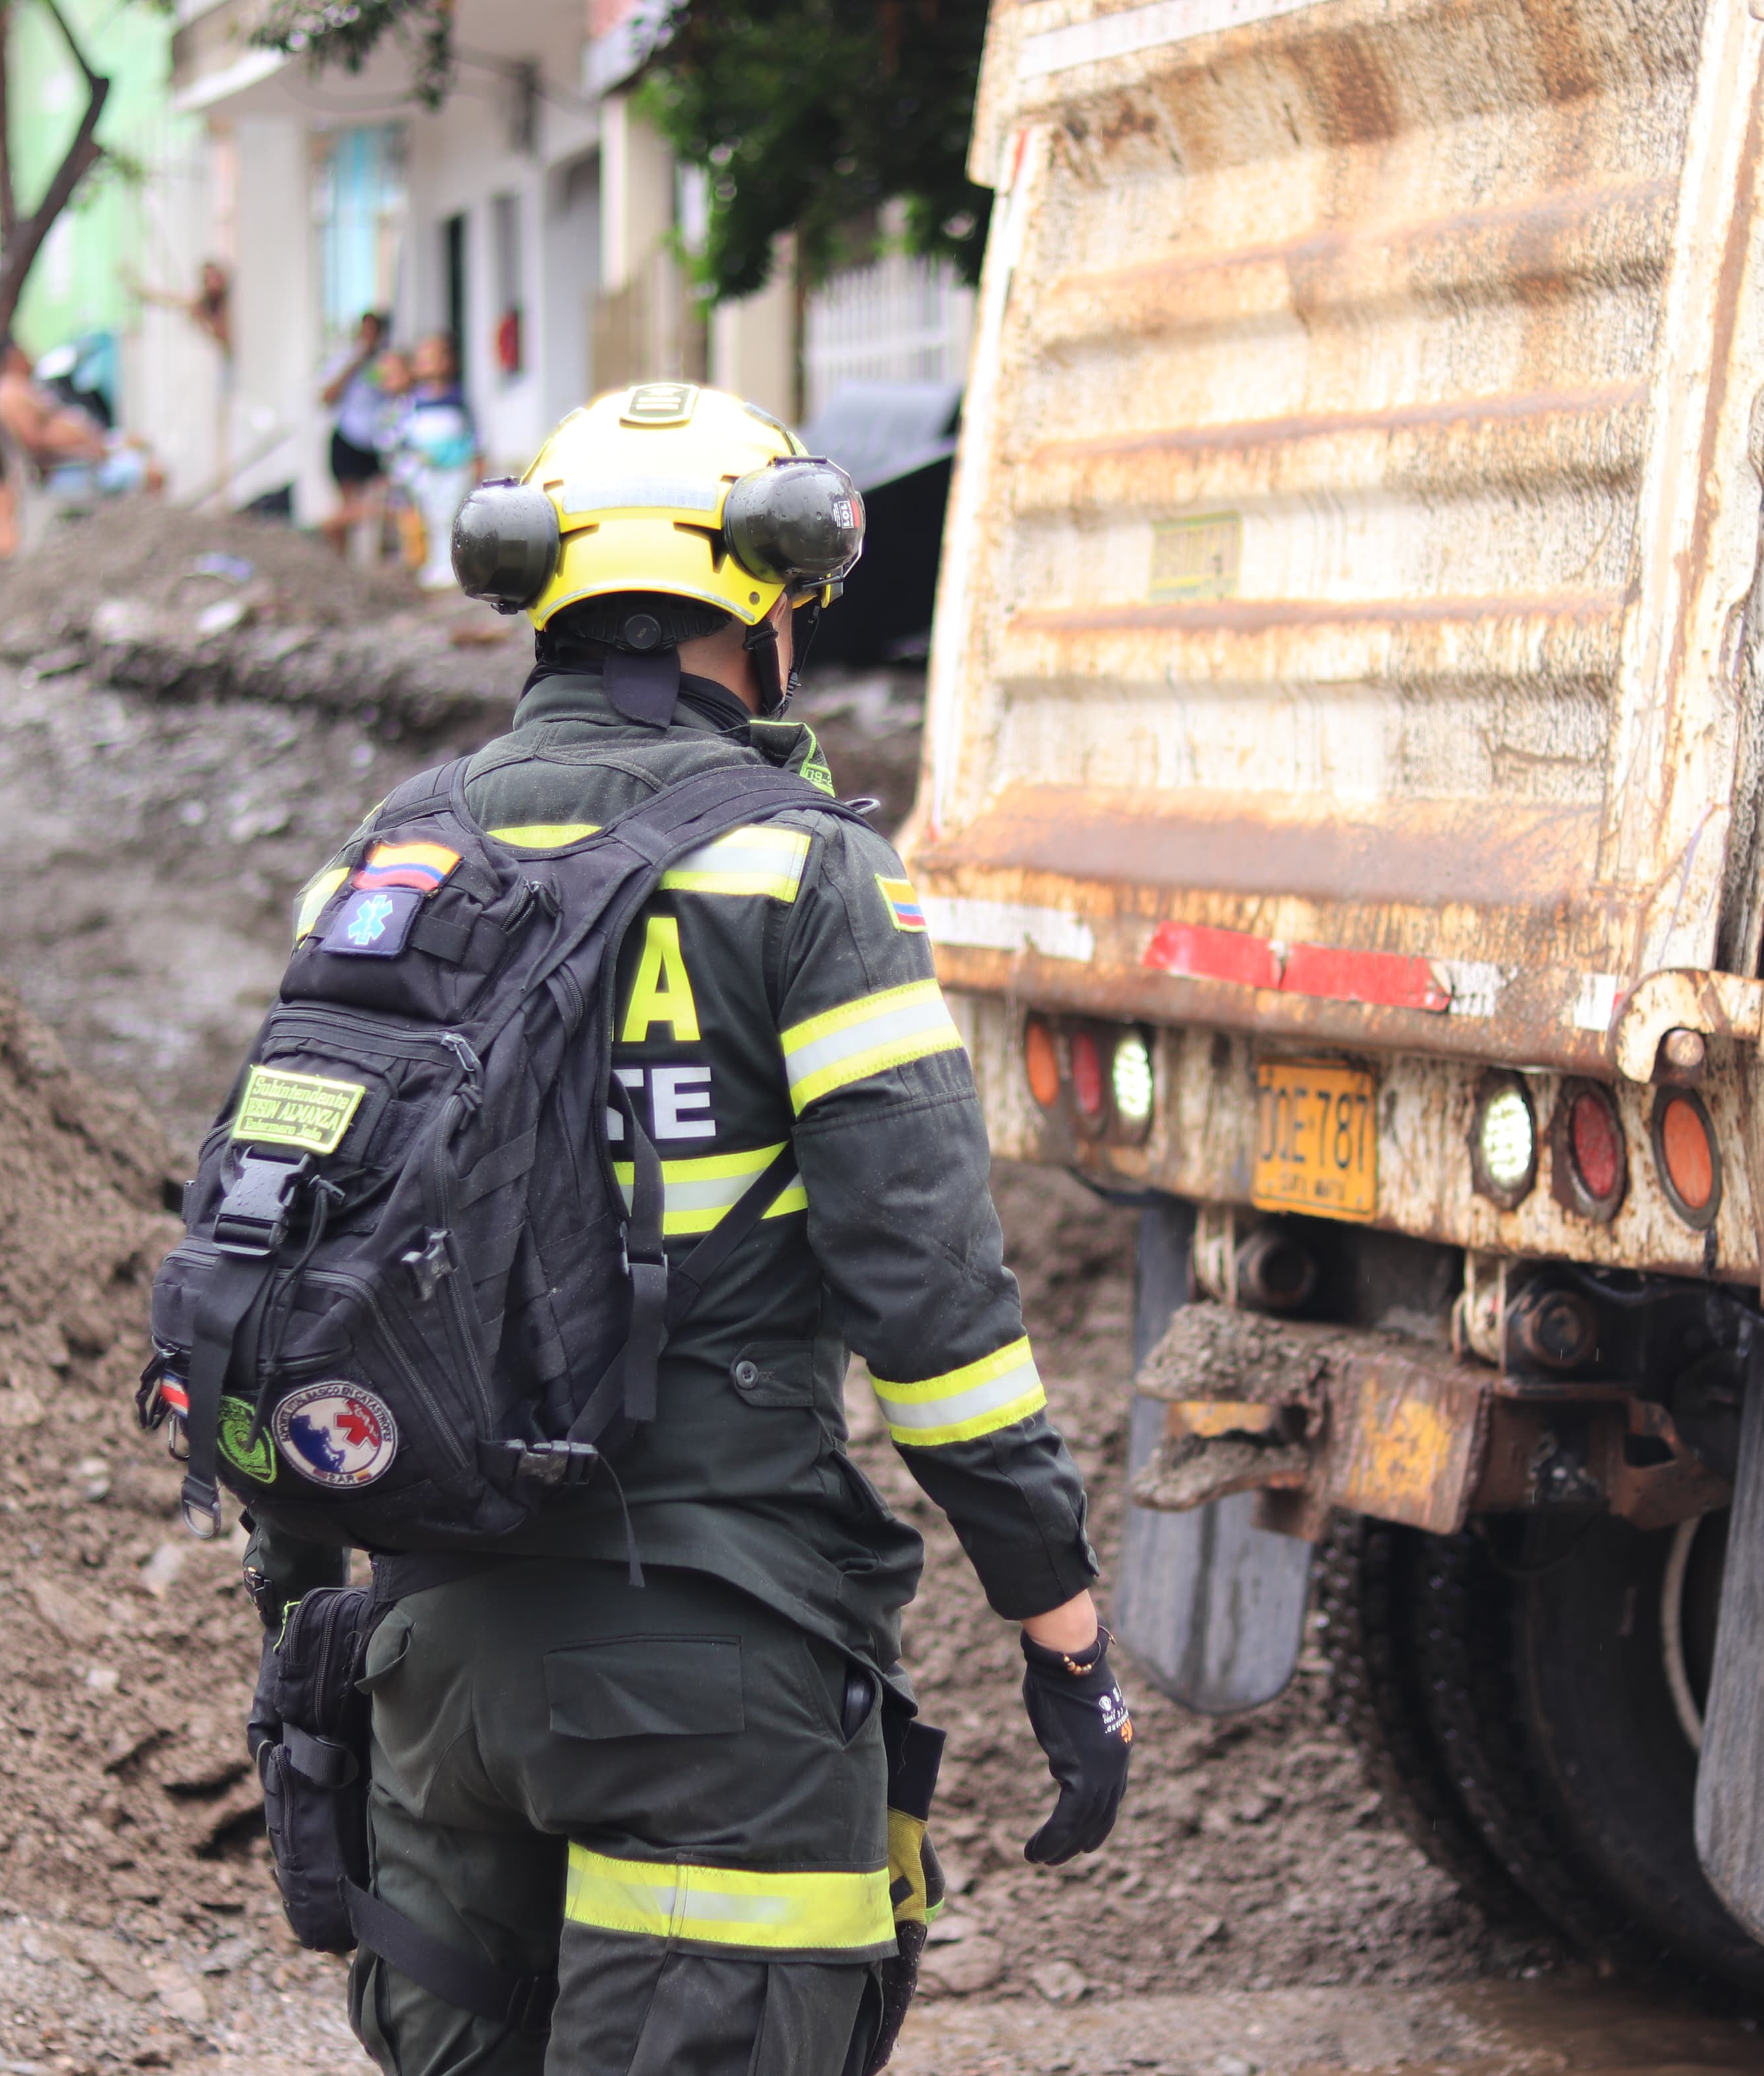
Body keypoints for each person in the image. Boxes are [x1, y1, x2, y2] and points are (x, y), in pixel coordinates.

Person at [244, 383, 1128, 2074]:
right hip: (715, 1676)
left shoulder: (389, 863)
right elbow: (932, 1309)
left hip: (433, 1661)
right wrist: (1058, 1627)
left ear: (546, 594)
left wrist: (304, 1616)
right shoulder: (805, 881)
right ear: (772, 601)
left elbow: (283, 1262)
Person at [0, 340, 164, 497]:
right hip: (76, 467)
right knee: (153, 475)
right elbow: (36, 442)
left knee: (139, 444)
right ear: (12, 357)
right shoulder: (9, 393)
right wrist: (87, 452)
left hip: (89, 453)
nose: (29, 355)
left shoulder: (20, 386)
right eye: (23, 352)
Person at [389, 332, 477, 589]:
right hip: (427, 469)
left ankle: (452, 567)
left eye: (438, 358)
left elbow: (473, 432)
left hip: (454, 467)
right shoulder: (413, 402)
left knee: (451, 516)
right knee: (431, 517)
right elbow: (400, 436)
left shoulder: (457, 397)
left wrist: (474, 458)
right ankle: (435, 565)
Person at [319, 308, 393, 557]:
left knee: (381, 505)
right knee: (350, 505)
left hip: (380, 443)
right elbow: (326, 397)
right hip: (349, 440)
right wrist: (357, 362)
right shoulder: (346, 360)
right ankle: (342, 559)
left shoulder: (388, 361)